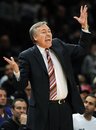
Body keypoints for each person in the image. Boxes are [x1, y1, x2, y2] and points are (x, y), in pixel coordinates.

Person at [3, 5, 92, 130]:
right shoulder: (27, 55)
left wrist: (84, 27)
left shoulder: (58, 44)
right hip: (43, 110)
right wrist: (16, 72)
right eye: (43, 32)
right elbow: (20, 86)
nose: (48, 33)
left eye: (49, 31)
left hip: (65, 107)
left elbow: (82, 50)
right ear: (35, 37)